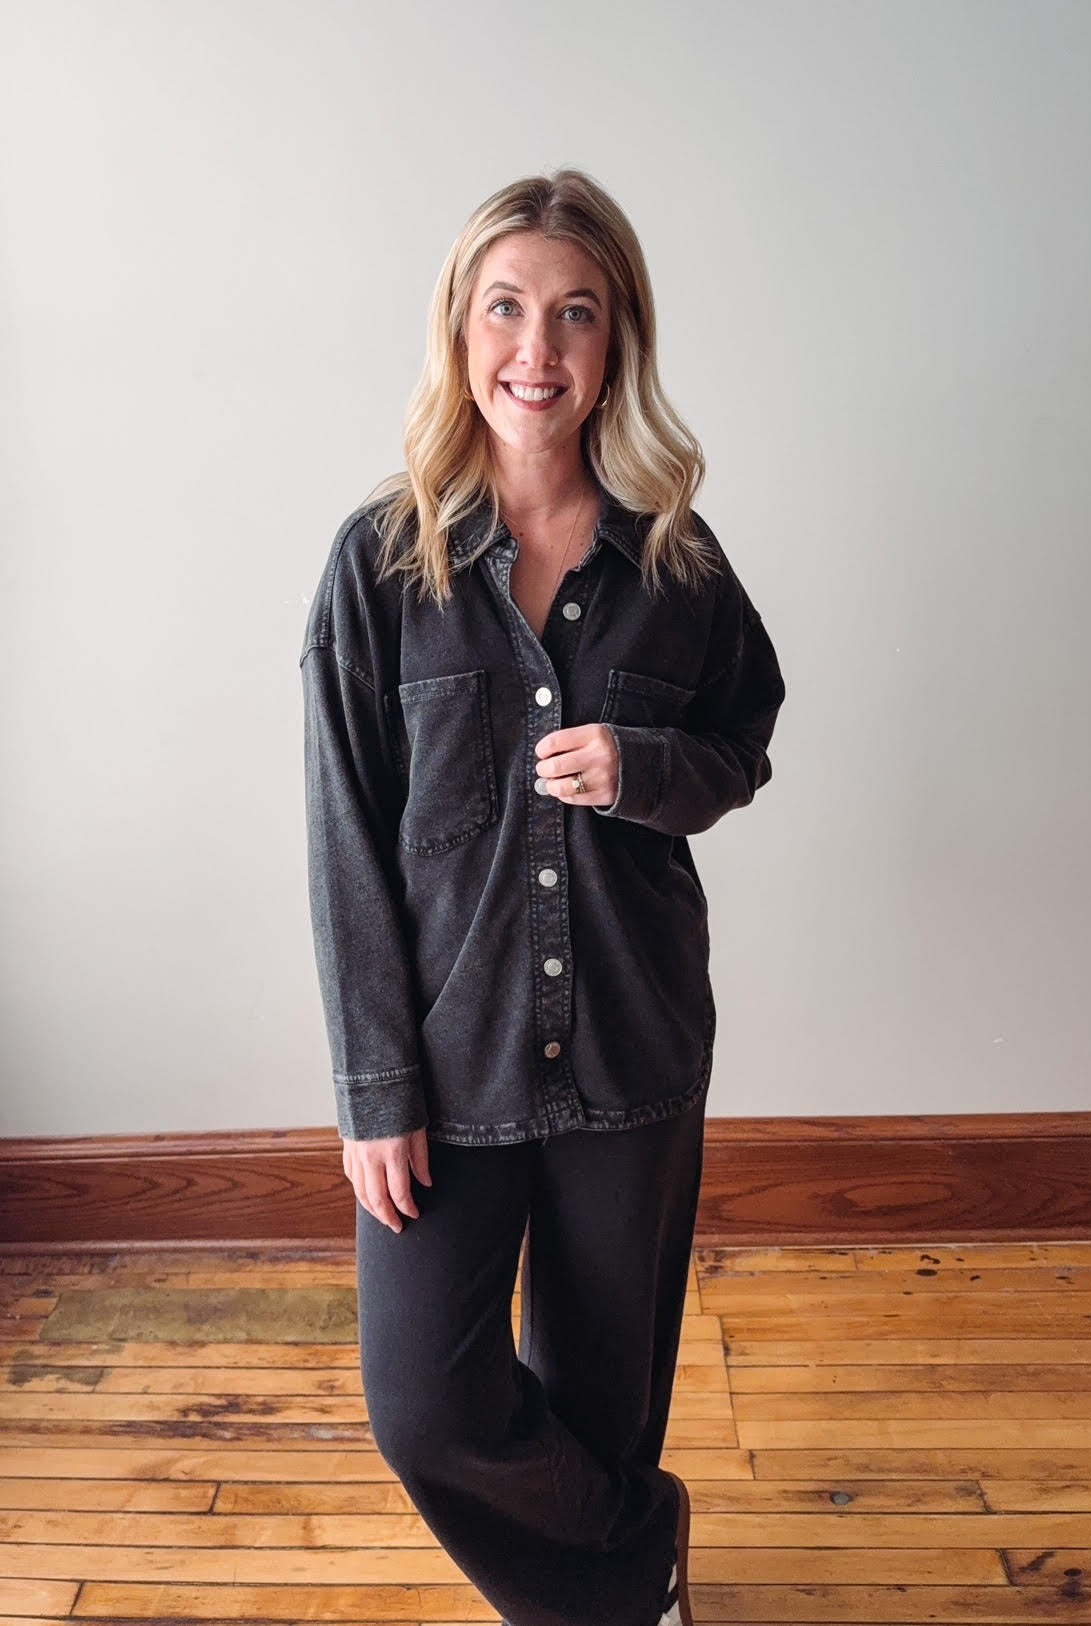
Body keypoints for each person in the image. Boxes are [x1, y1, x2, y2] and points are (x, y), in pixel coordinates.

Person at [300, 167, 785, 1626]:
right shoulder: (380, 568)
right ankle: (639, 1548)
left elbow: (739, 749)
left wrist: (641, 765)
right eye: (505, 307)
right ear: (458, 332)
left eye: (575, 313)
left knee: (598, 1390)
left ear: (616, 341)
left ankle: (615, 1607)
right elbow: (343, 842)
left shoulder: (677, 565)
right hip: (448, 1070)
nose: (537, 345)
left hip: (633, 1050)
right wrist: (374, 1084)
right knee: (426, 1398)